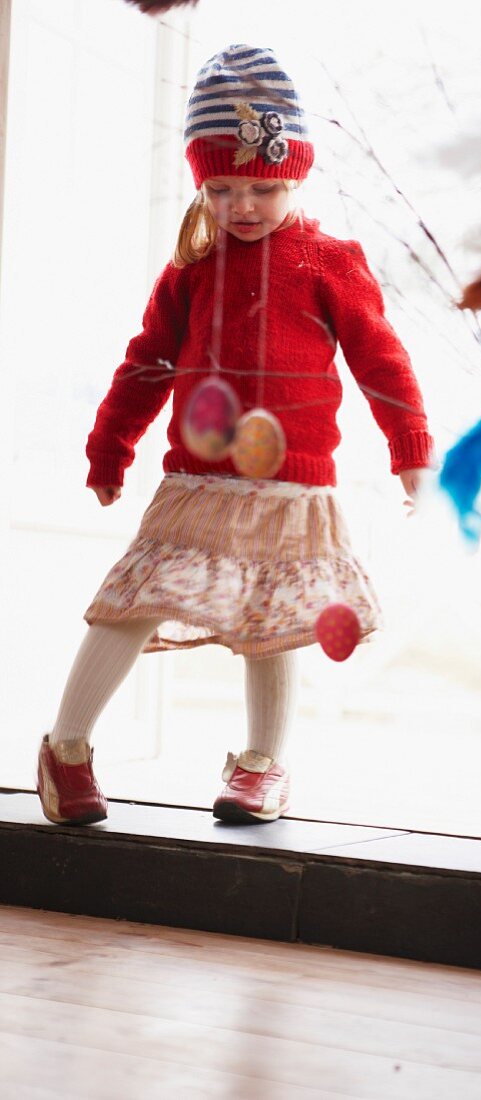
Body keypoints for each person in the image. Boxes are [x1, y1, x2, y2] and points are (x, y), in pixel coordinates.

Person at [37, 44, 433, 827]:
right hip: (198, 482)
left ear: (297, 176)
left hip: (294, 488)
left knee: (275, 619)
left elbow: (381, 358)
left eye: (262, 186)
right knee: (134, 600)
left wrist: (411, 452)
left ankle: (262, 764)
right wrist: (110, 447)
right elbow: (147, 363)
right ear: (200, 183)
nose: (242, 204)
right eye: (220, 188)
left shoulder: (329, 262)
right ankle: (67, 745)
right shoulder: (192, 267)